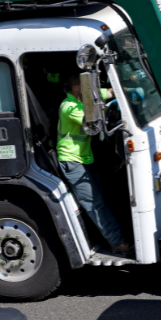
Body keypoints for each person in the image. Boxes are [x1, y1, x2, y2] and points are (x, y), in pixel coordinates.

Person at [57, 76, 134, 257]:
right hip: (72, 160)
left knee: (102, 199)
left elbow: (108, 93)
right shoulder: (69, 107)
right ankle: (117, 243)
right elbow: (94, 122)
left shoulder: (86, 95)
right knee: (95, 204)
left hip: (85, 158)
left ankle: (112, 235)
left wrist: (130, 90)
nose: (91, 89)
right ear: (76, 87)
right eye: (85, 85)